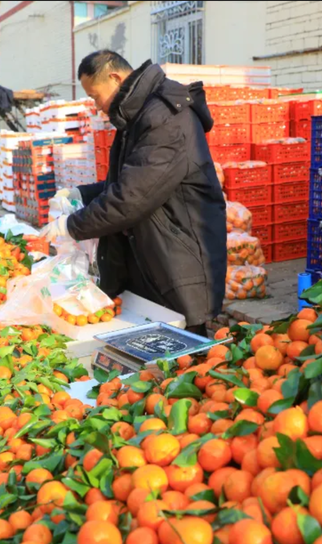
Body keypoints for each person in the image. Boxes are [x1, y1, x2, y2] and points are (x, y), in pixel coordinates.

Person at [42, 51, 226, 336]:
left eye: (95, 97)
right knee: (156, 352)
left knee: (185, 354)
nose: (97, 107)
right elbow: (129, 180)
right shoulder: (139, 114)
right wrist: (80, 194)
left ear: (115, 78)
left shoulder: (165, 117)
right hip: (156, 251)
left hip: (178, 256)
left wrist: (70, 226)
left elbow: (132, 197)